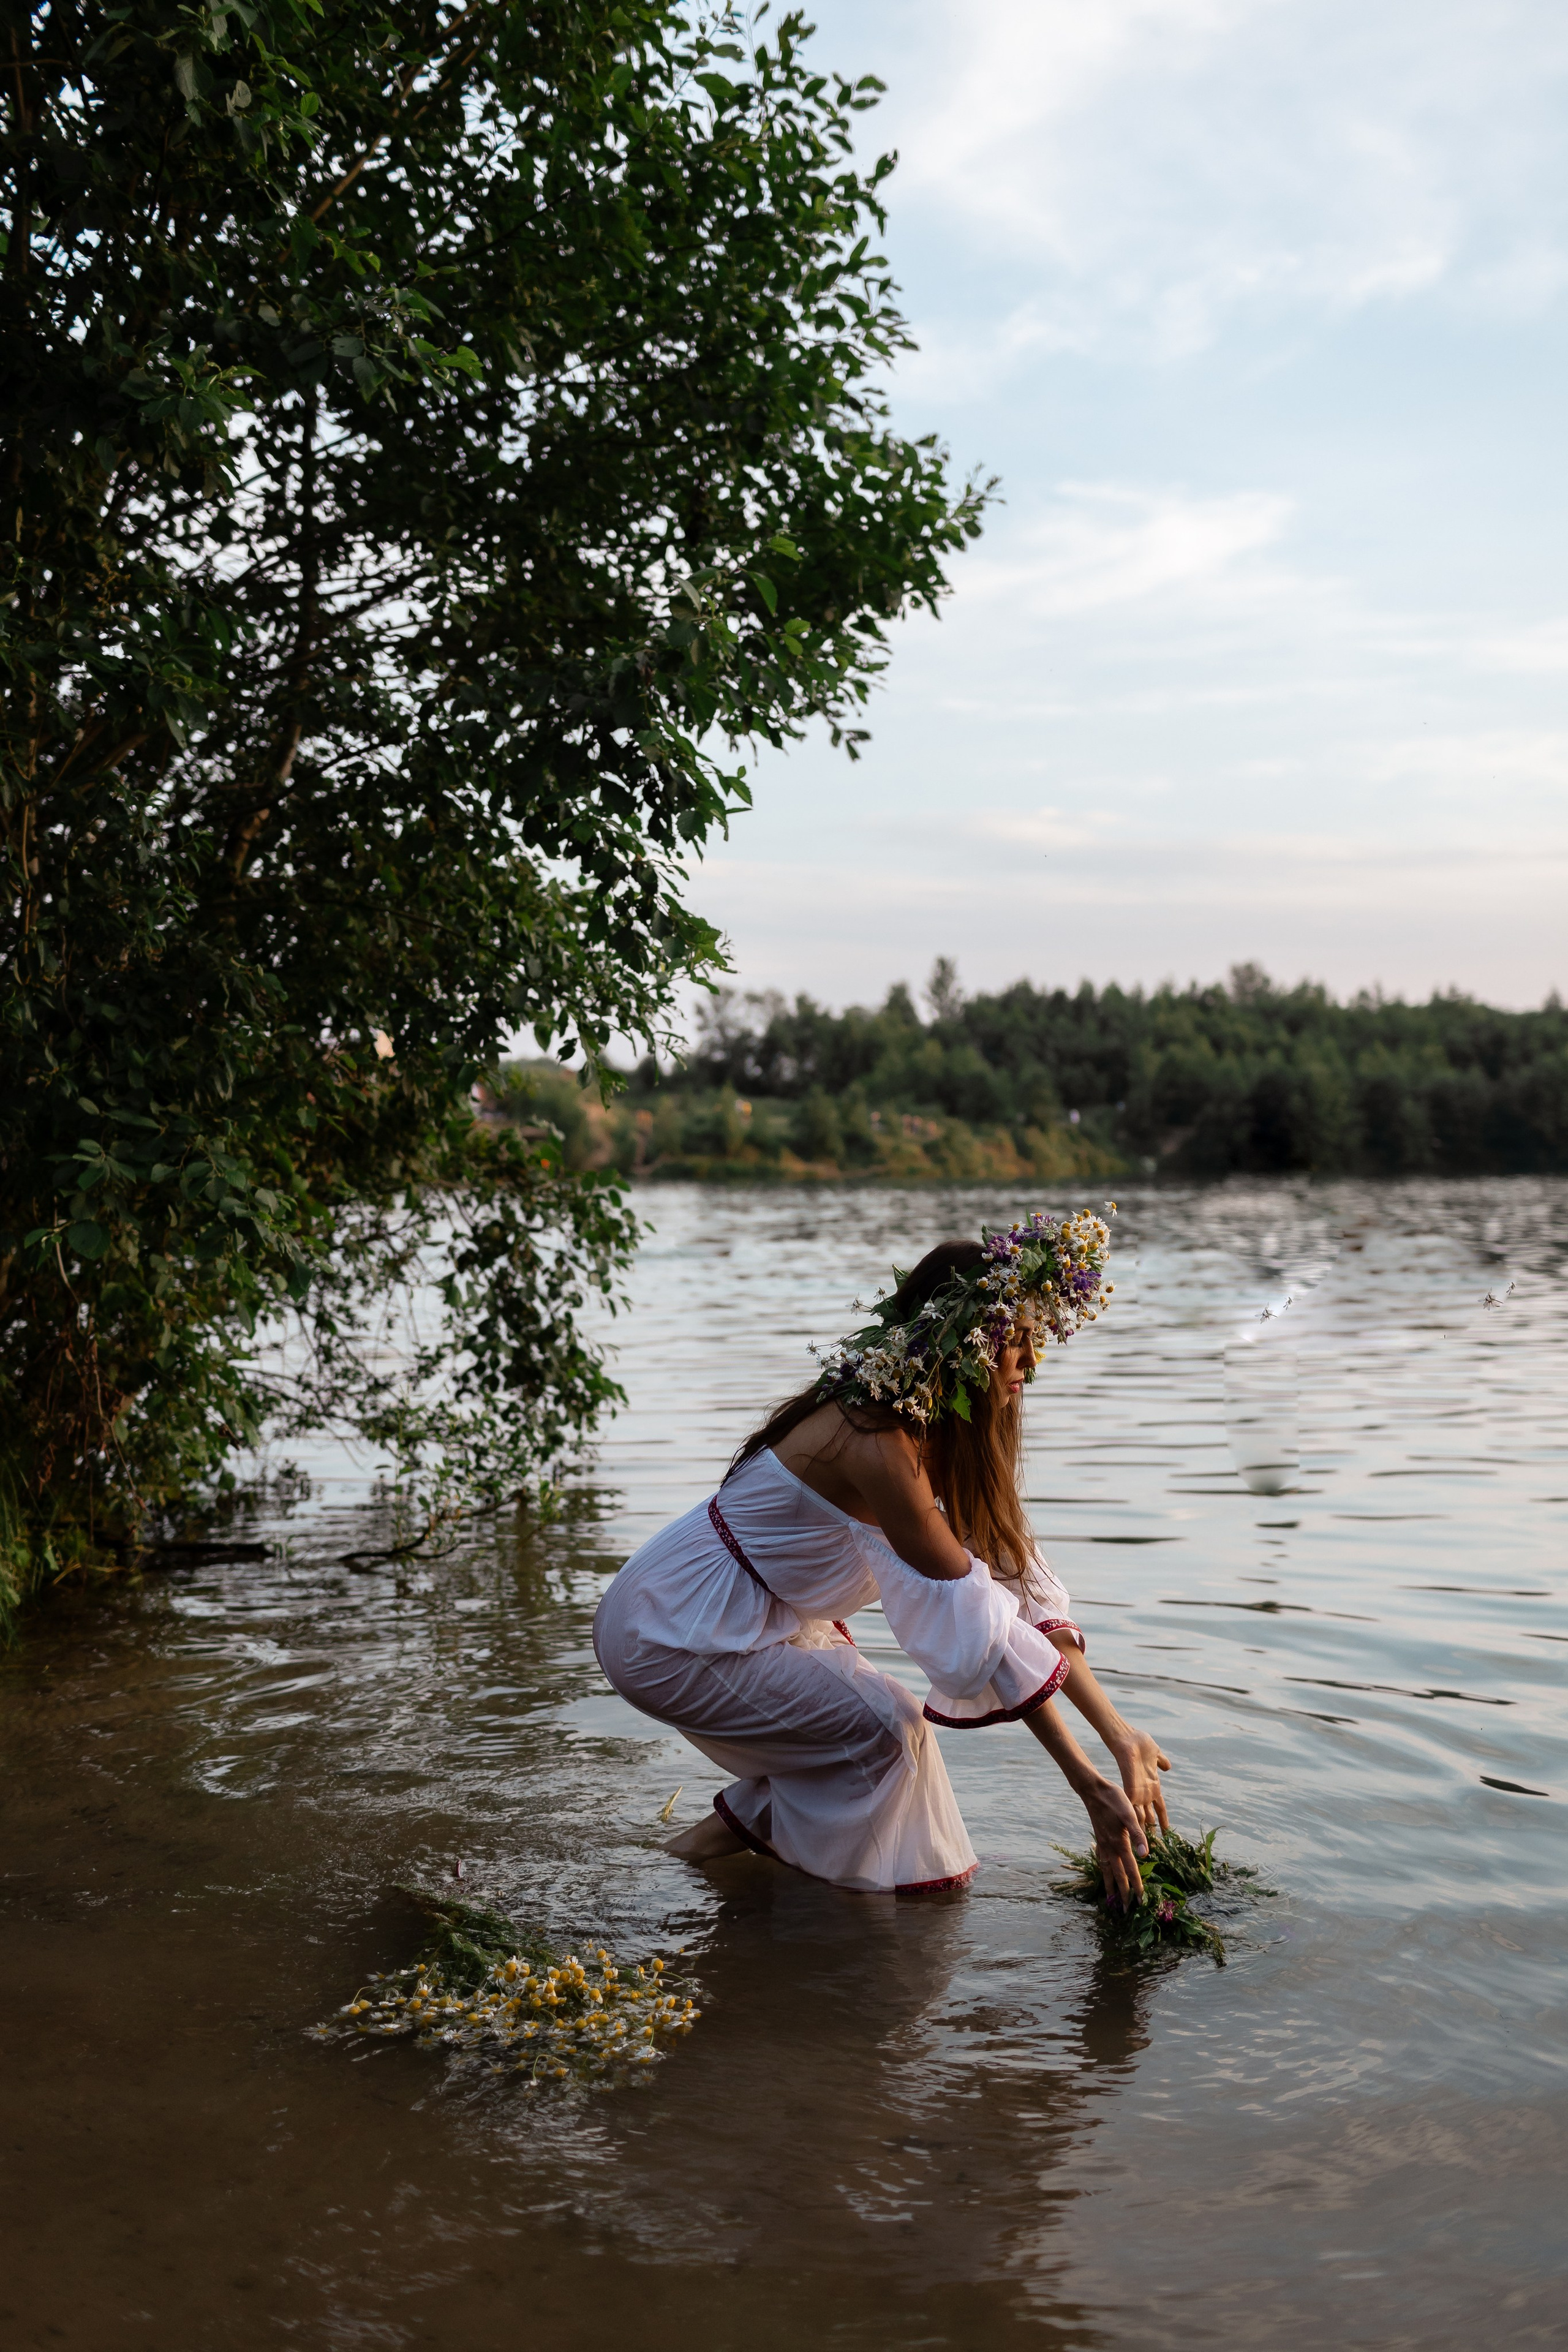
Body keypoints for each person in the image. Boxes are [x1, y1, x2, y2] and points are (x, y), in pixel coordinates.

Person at [592, 1211, 1170, 1902]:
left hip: (753, 1614)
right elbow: (977, 1629)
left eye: (1035, 1342)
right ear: (965, 1345)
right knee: (885, 1734)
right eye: (1015, 1344)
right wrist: (1089, 1786)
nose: (1031, 1364)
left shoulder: (933, 1432)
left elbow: (1017, 1586)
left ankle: (683, 1862)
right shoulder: (875, 1441)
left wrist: (1120, 1735)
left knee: (863, 1740)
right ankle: (860, 1938)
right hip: (674, 1628)